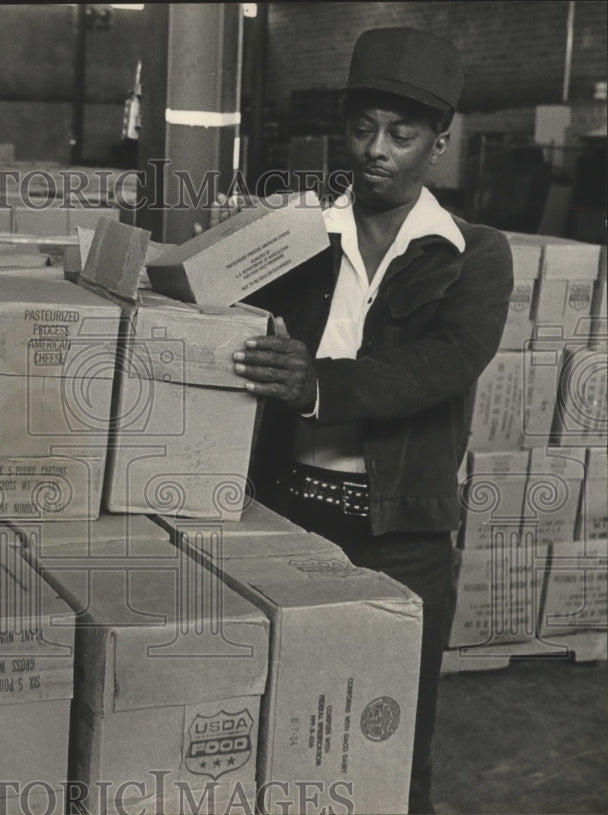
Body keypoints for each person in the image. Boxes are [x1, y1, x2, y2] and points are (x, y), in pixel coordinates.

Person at [233, 28, 514, 815]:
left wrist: (315, 384)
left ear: (439, 143)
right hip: (286, 519)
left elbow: (444, 364)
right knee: (283, 731)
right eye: (362, 129)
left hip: (403, 541)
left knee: (386, 747)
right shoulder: (297, 240)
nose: (376, 150)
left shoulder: (473, 254)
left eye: (401, 134)